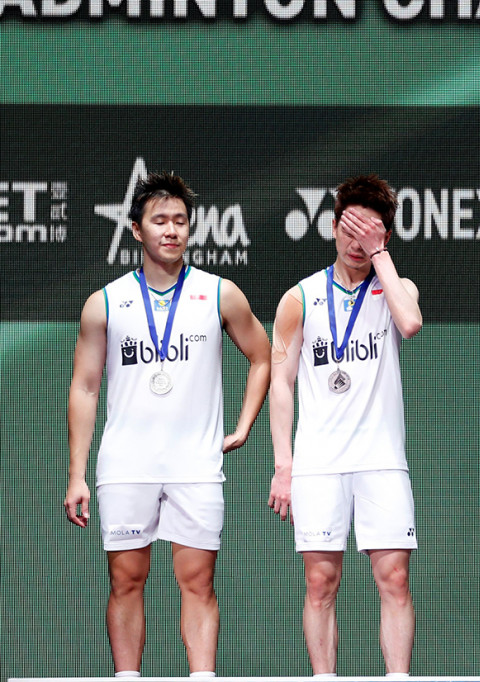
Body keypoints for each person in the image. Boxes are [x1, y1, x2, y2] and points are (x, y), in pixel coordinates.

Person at [63, 171, 272, 677]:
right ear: (137, 229)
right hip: (126, 465)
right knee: (125, 582)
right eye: (160, 220)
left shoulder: (219, 293)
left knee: (198, 583)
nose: (172, 230)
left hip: (195, 466)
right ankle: (127, 678)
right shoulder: (105, 302)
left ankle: (202, 678)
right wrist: (76, 474)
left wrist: (244, 425)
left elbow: (263, 356)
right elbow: (85, 388)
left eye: (180, 220)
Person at [267, 174, 422, 678]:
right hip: (319, 462)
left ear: (386, 238)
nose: (358, 242)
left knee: (394, 578)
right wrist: (284, 466)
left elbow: (410, 323)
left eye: (371, 233)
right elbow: (281, 383)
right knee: (320, 583)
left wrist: (381, 256)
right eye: (350, 230)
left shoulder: (397, 289)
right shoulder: (299, 298)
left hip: (381, 459)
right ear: (333, 228)